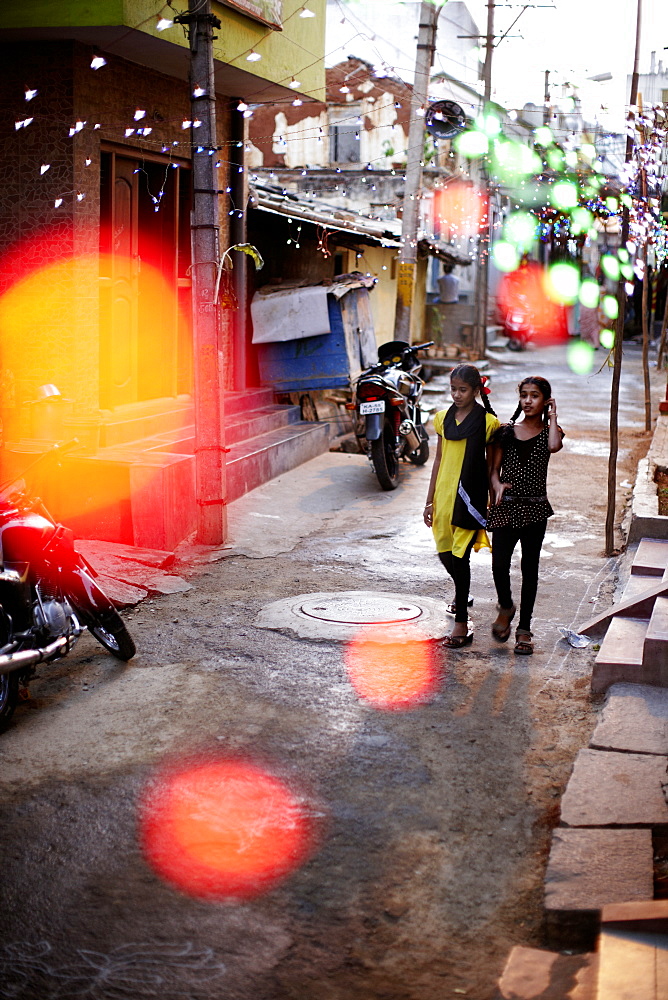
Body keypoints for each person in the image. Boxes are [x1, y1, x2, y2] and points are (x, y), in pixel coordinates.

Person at [423, 364, 499, 648]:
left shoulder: (489, 423)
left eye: (463, 390)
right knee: (445, 552)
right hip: (444, 496)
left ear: (477, 390)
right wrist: (429, 500)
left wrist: (493, 500)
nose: (456, 395)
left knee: (461, 557)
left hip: (471, 498)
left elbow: (492, 466)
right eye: (453, 389)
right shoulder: (442, 419)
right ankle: (460, 590)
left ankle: (462, 624)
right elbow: (439, 460)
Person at [487, 376, 563, 655]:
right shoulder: (506, 431)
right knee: (498, 565)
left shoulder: (550, 432)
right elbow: (493, 469)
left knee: (530, 570)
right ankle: (506, 606)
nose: (528, 401)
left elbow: (554, 446)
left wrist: (553, 416)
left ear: (545, 401)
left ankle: (524, 630)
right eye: (524, 395)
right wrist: (495, 484)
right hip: (506, 506)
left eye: (535, 396)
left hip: (535, 509)